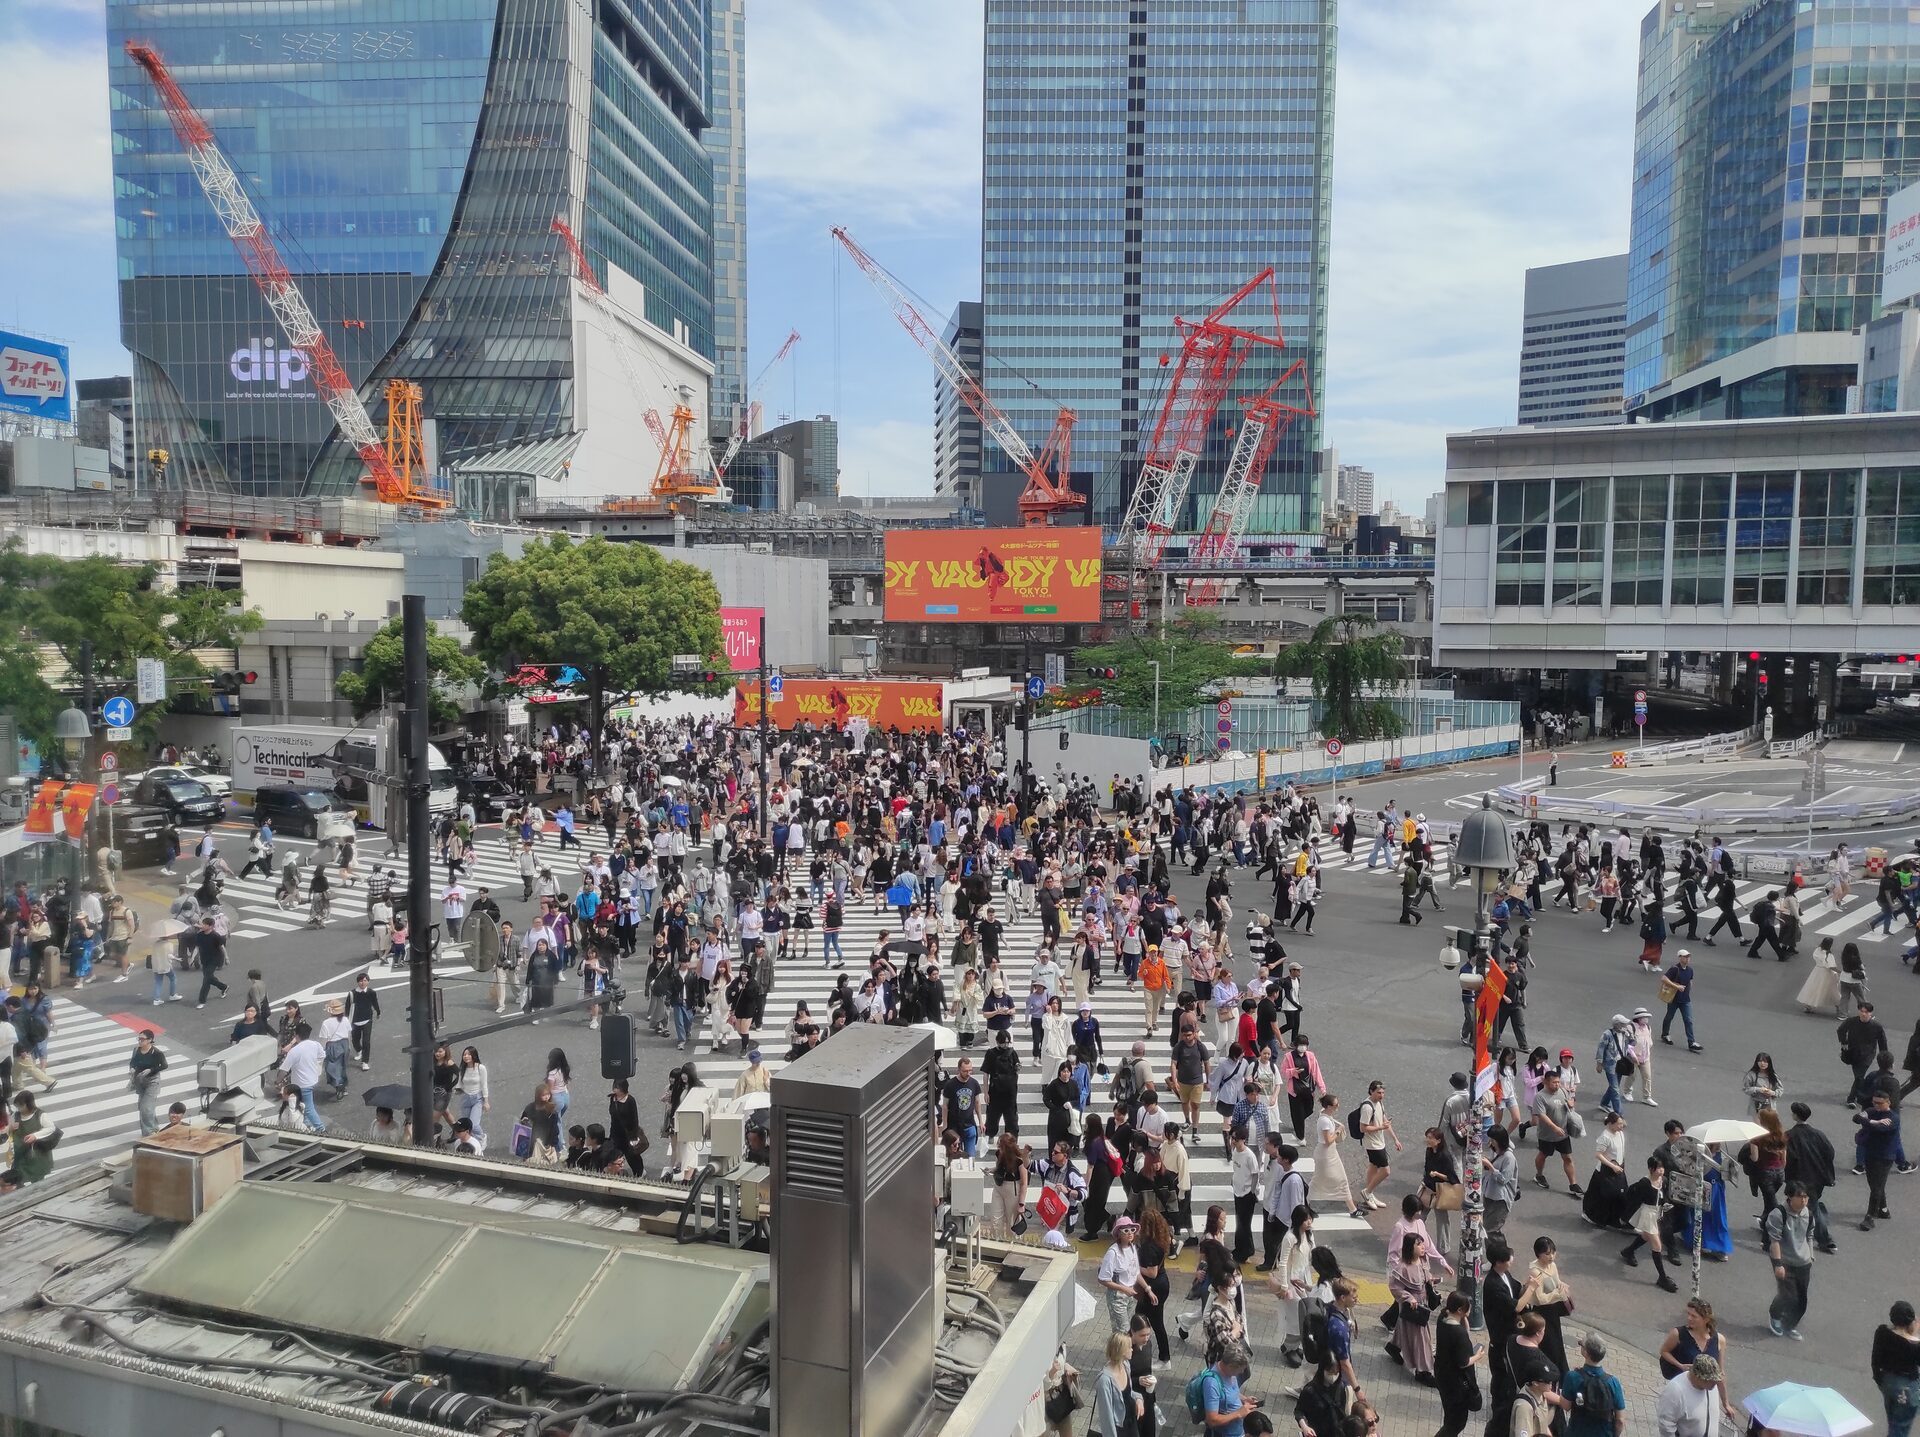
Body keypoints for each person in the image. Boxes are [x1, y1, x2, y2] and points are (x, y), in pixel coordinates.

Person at [1657, 1299, 1734, 1425]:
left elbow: (1720, 1372)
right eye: (1688, 1314)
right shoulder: (1678, 1334)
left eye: (1694, 1316)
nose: (1689, 1318)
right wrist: (1680, 1365)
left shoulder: (1719, 1340)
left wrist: (1726, 1404)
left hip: (1706, 1392)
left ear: (1706, 1319)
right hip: (1684, 1389)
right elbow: (1664, 1351)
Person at [1764, 1183, 1817, 1338]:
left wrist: (1811, 1254)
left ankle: (1789, 1324)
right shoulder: (1778, 1214)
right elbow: (1775, 1241)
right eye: (1800, 1197)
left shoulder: (1809, 1214)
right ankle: (1775, 1315)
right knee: (1788, 1296)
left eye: (1806, 1197)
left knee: (1801, 1300)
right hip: (1785, 1261)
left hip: (1804, 1262)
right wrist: (1778, 1264)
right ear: (1789, 1197)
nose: (1804, 1201)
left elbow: (1810, 1235)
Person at [1620, 1156, 1679, 1292]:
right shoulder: (1644, 1183)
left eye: (1662, 1168)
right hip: (1647, 1214)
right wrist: (1625, 1217)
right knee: (1657, 1245)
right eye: (1658, 1168)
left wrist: (1666, 1204)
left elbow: (1663, 1196)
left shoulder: (1662, 1180)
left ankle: (1628, 1251)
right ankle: (1662, 1278)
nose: (1661, 1171)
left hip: (1657, 1213)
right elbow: (1635, 1201)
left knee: (1646, 1236)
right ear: (1651, 1169)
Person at [1388, 1231, 1438, 1383]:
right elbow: (1395, 1287)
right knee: (1420, 1338)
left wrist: (1431, 1281)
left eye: (1422, 1243)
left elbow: (1425, 1278)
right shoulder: (1402, 1268)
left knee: (1404, 1328)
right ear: (1410, 1247)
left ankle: (1394, 1347)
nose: (1423, 1247)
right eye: (1419, 1244)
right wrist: (1408, 1298)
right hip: (1413, 1308)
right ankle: (1423, 1371)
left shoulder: (1423, 1261)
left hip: (1421, 1303)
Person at [1433, 1289, 1483, 1437]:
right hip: (1456, 1384)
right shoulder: (1458, 1334)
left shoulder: (1443, 1317)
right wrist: (1478, 1356)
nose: (1470, 1310)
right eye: (1467, 1308)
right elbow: (1463, 1362)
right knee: (1456, 1423)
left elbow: (1462, 1328)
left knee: (1450, 1416)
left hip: (1442, 1375)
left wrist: (1463, 1317)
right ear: (1460, 1309)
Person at [1309, 1091, 1362, 1220]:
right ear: (1328, 1107)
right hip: (1326, 1154)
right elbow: (1328, 1140)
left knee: (1337, 1179)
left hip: (1329, 1153)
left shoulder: (1324, 1115)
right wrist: (1338, 1131)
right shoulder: (1325, 1121)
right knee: (1320, 1180)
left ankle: (1352, 1209)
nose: (1337, 1107)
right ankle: (1305, 1203)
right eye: (1335, 1105)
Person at [1560, 1332, 1624, 1437]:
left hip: (1577, 1432)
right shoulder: (1613, 1382)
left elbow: (1565, 1406)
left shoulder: (1573, 1377)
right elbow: (1620, 1420)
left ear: (1585, 1353)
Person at [1530, 1070, 1583, 1196]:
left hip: (1563, 1134)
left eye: (1558, 1082)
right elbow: (1542, 1115)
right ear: (1546, 1082)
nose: (1557, 1085)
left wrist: (1571, 1104)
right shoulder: (1540, 1097)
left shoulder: (1562, 1091)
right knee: (1543, 1154)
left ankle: (1573, 1184)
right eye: (1554, 1082)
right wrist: (1554, 1128)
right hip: (1547, 1135)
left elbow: (1569, 1102)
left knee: (1568, 1157)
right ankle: (1539, 1175)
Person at [1874, 1300, 1920, 1437]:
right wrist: (1916, 1334)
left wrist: (1879, 1379)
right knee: (1900, 1427)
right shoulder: (1914, 1345)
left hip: (1887, 1383)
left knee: (1893, 1421)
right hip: (1907, 1389)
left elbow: (1876, 1359)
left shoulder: (1882, 1332)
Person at [1194, 1340, 1259, 1437]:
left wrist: (1244, 1399)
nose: (1242, 1372)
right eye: (1241, 1369)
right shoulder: (1212, 1383)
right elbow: (1212, 1420)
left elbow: (1229, 1393)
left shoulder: (1230, 1373)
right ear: (1231, 1366)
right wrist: (1239, 1413)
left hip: (1237, 1431)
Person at [1856, 1092, 1900, 1231]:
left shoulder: (1893, 1118)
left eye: (1880, 1103)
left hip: (1885, 1157)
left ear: (1888, 1102)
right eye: (1874, 1102)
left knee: (1876, 1187)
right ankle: (1884, 1210)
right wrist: (1873, 1121)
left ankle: (1870, 1216)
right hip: (1870, 1153)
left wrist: (1871, 1122)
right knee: (1874, 1183)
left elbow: (1880, 1128)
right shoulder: (1871, 1111)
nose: (1876, 1105)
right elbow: (1856, 1117)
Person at [1357, 1078, 1401, 1211]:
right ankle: (1367, 1192)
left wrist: (1395, 1139)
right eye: (1378, 1093)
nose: (1381, 1095)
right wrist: (1380, 1128)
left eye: (1382, 1093)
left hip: (1379, 1142)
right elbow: (1363, 1128)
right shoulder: (1367, 1107)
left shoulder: (1380, 1104)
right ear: (1371, 1091)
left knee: (1373, 1166)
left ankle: (1369, 1194)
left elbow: (1385, 1122)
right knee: (1385, 1171)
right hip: (1372, 1144)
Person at [1654, 1356, 1724, 1437]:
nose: (1715, 1384)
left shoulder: (1711, 1386)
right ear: (1697, 1377)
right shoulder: (1675, 1390)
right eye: (1710, 1380)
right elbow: (1666, 1423)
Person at [1582, 1111, 1629, 1230]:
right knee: (1601, 1196)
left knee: (1620, 1194)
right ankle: (1592, 1216)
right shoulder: (1605, 1137)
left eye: (1622, 1123)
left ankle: (1616, 1218)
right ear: (1611, 1124)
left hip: (1618, 1168)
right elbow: (1598, 1155)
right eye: (1619, 1124)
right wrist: (1612, 1166)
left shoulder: (1620, 1133)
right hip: (1605, 1171)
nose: (1621, 1126)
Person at [1658, 949, 1702, 1052]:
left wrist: (1688, 990)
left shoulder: (1690, 970)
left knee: (1688, 1020)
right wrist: (1676, 986)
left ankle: (1691, 1042)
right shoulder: (1674, 969)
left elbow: (1690, 981)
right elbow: (1664, 978)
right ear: (1680, 957)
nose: (1687, 959)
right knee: (1669, 1016)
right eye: (1685, 956)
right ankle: (1665, 1034)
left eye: (1688, 957)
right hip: (1674, 999)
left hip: (1685, 1000)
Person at [127, 1029, 168, 1136]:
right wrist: (132, 1069)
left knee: (146, 1108)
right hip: (140, 1081)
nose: (140, 1041)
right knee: (143, 1107)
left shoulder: (156, 1053)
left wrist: (150, 1070)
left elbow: (164, 1065)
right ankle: (153, 1128)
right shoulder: (136, 1050)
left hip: (152, 1081)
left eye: (142, 1039)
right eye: (139, 1039)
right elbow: (132, 1062)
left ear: (150, 1040)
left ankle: (148, 1134)